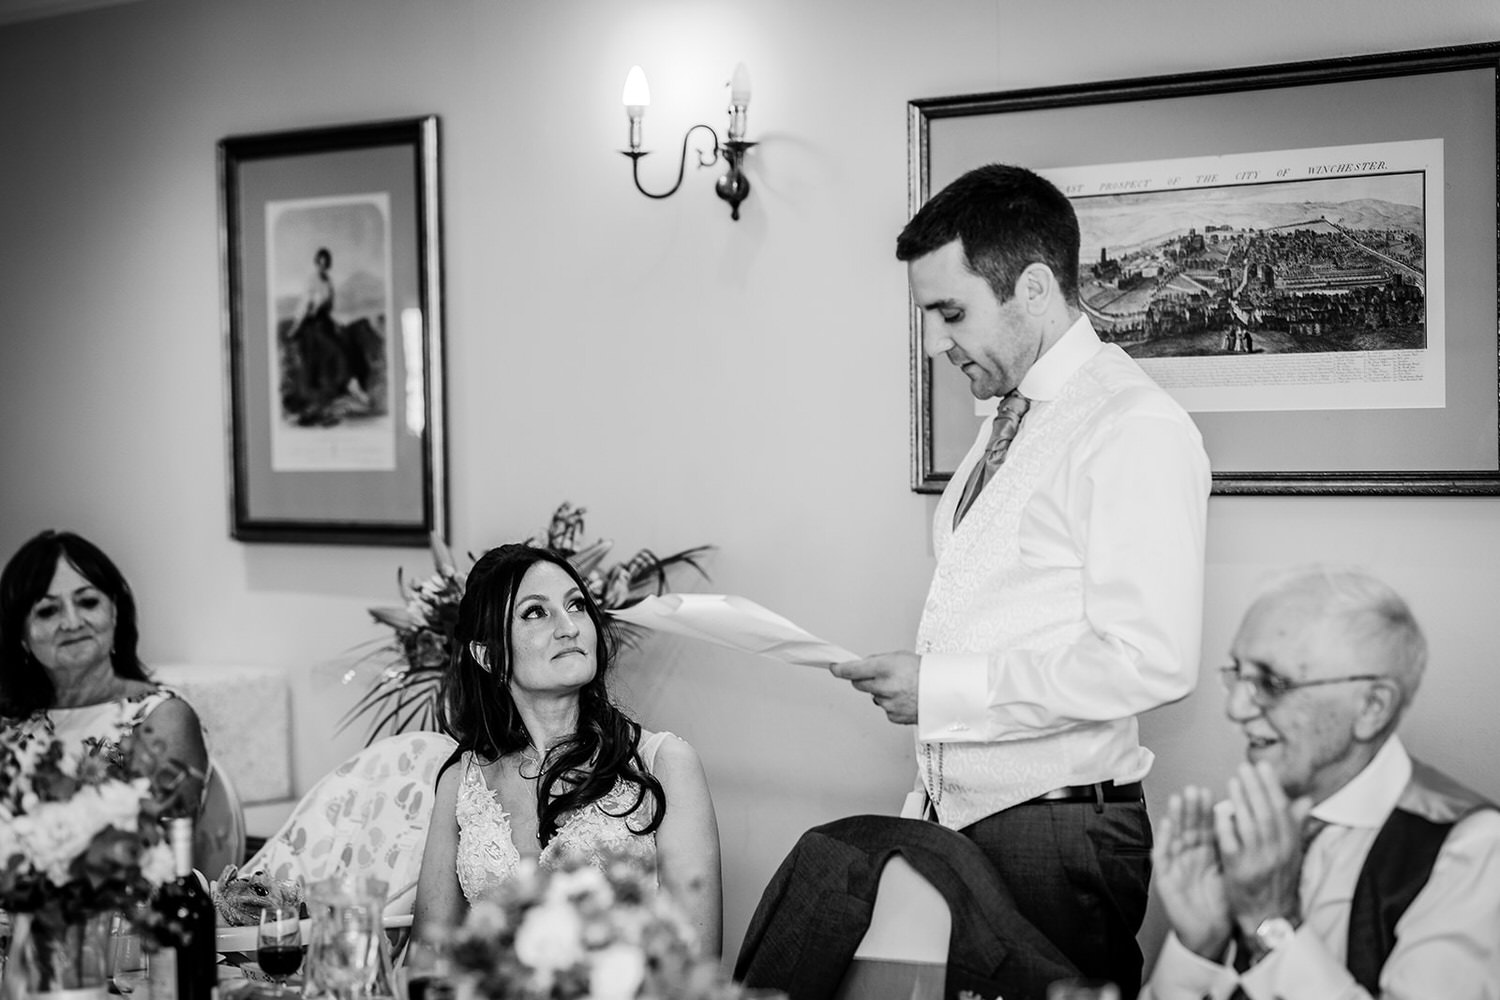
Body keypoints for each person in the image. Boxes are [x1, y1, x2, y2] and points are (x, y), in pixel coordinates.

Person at [830, 162, 1212, 997]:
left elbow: (1151, 659)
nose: (936, 341)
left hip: (1060, 833)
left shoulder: (1133, 425)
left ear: (1034, 288)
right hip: (956, 821)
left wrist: (945, 690)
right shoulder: (1008, 416)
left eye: (951, 312)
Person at [1143, 566, 1500, 999]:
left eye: (1271, 682)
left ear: (1372, 706)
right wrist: (1200, 946)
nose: (1236, 709)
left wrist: (1271, 919)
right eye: (1237, 674)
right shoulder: (1239, 829)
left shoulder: (1472, 849)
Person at [410, 544, 723, 955]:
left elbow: (695, 963)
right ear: (487, 656)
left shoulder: (665, 766)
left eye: (576, 605)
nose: (569, 626)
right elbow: (428, 957)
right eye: (536, 612)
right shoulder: (462, 780)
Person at [0, 530, 208, 814]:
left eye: (87, 602)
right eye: (48, 611)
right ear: (21, 634)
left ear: (114, 612)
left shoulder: (161, 718)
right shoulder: (11, 729)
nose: (72, 623)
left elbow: (167, 843)